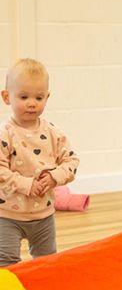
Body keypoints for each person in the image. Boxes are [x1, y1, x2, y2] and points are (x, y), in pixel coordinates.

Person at [0, 59, 79, 266]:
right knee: (6, 264)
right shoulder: (4, 134)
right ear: (6, 97)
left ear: (47, 97)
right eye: (24, 97)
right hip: (7, 216)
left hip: (43, 216)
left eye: (39, 97)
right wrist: (28, 185)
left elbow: (71, 161)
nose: (32, 103)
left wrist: (54, 177)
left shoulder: (53, 133)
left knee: (47, 263)